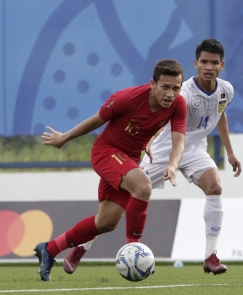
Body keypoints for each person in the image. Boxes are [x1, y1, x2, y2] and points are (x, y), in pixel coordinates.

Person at [61, 39, 240, 276]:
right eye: (204, 62)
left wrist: (229, 150)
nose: (209, 67)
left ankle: (211, 256)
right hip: (165, 151)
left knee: (215, 187)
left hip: (195, 150)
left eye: (214, 63)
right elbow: (159, 117)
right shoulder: (181, 91)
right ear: (195, 63)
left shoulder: (226, 89)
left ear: (222, 65)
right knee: (119, 207)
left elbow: (220, 113)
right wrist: (148, 142)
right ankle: (82, 245)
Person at [36, 59, 188, 282]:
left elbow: (179, 143)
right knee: (143, 186)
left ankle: (48, 249)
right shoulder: (126, 98)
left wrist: (173, 165)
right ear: (152, 84)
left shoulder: (179, 104)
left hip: (129, 160)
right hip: (106, 152)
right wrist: (65, 137)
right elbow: (96, 121)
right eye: (165, 87)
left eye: (176, 88)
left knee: (106, 222)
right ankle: (133, 252)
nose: (170, 94)